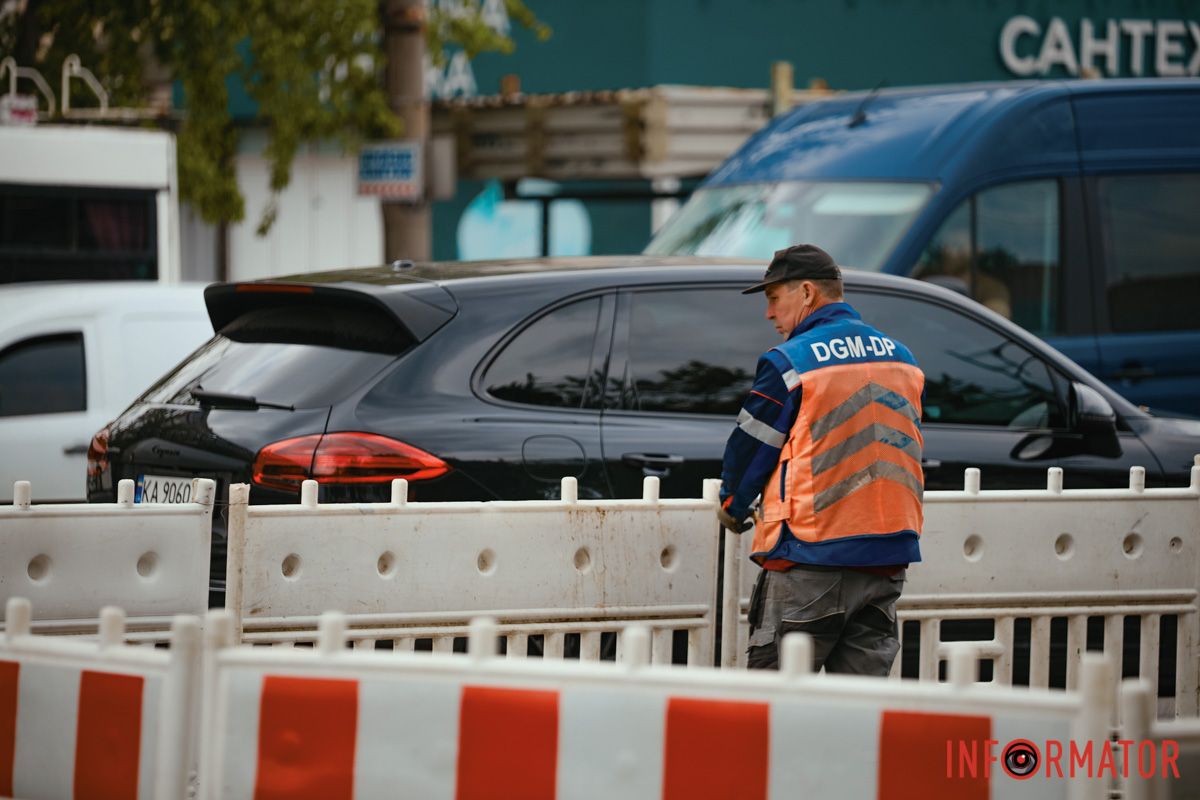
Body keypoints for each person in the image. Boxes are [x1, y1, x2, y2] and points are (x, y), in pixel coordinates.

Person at [717, 244, 925, 674]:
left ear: (807, 293)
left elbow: (752, 445)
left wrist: (732, 504)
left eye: (774, 298)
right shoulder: (901, 358)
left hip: (810, 557)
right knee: (859, 709)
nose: (769, 313)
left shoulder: (790, 362)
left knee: (777, 703)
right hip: (886, 559)